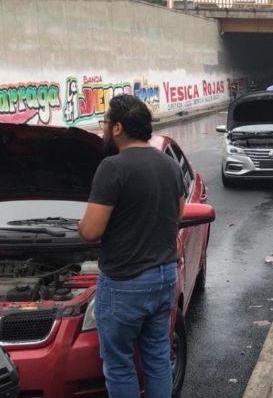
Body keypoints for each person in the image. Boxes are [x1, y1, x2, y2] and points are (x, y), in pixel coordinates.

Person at [79, 95, 185, 398]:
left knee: (119, 364)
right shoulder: (169, 165)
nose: (104, 129)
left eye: (106, 122)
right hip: (164, 276)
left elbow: (91, 231)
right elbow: (177, 215)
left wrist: (78, 226)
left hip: (125, 282)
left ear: (118, 128)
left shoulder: (112, 168)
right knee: (157, 357)